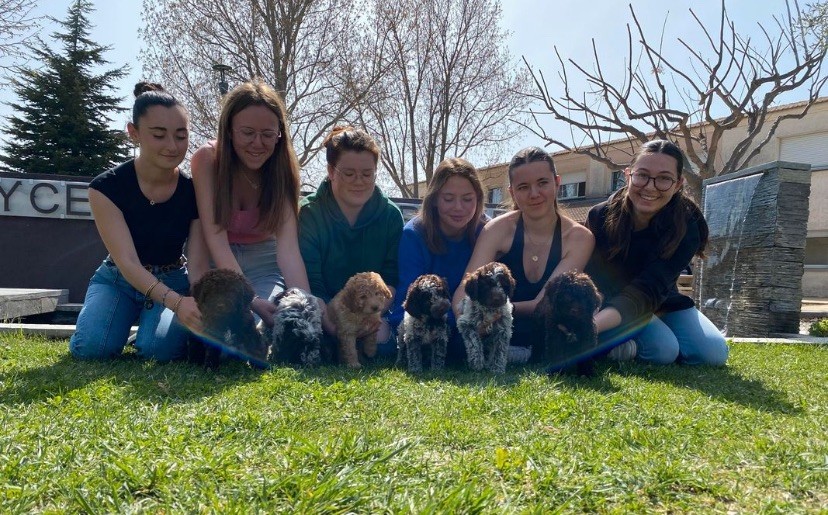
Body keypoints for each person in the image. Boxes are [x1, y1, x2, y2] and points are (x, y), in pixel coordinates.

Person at [70, 82, 205, 361]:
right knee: (93, 349)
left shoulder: (195, 190)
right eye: (159, 135)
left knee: (159, 351)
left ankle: (146, 331)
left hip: (172, 277)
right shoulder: (105, 188)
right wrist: (177, 304)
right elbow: (128, 262)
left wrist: (193, 298)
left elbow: (197, 256)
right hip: (117, 279)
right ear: (134, 133)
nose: (172, 146)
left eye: (181, 136)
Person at [585, 139, 728, 366]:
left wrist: (589, 329)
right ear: (628, 175)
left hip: (659, 298)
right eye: (642, 175)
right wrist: (592, 322)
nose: (650, 187)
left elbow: (650, 287)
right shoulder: (599, 216)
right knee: (662, 350)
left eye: (664, 178)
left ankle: (610, 342)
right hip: (609, 300)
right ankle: (620, 348)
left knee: (712, 353)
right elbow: (594, 278)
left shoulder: (688, 224)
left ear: (678, 183)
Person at [452, 147, 595, 363]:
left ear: (557, 183)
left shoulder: (580, 238)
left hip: (547, 332)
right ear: (512, 193)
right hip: (496, 329)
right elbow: (464, 291)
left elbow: (543, 304)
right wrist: (469, 323)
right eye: (523, 187)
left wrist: (494, 308)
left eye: (542, 183)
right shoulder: (496, 230)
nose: (534, 194)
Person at [190, 80, 310, 325]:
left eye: (267, 134)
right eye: (247, 133)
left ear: (279, 135)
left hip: (265, 261)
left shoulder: (283, 169)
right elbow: (215, 238)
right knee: (218, 327)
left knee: (262, 325)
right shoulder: (207, 159)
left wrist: (306, 303)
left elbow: (288, 250)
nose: (258, 143)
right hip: (217, 262)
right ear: (229, 130)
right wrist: (250, 299)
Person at [298, 126, 404, 357]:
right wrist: (333, 325)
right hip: (324, 310)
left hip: (371, 312)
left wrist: (371, 316)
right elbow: (311, 282)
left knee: (384, 347)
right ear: (331, 171)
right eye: (349, 173)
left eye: (367, 174)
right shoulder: (309, 214)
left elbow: (391, 278)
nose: (359, 181)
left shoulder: (391, 216)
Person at [389, 157, 487, 365]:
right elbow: (405, 304)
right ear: (433, 199)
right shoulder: (414, 234)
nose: (458, 207)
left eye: (467, 199)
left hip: (469, 322)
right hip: (427, 324)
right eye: (448, 198)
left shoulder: (486, 234)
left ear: (478, 199)